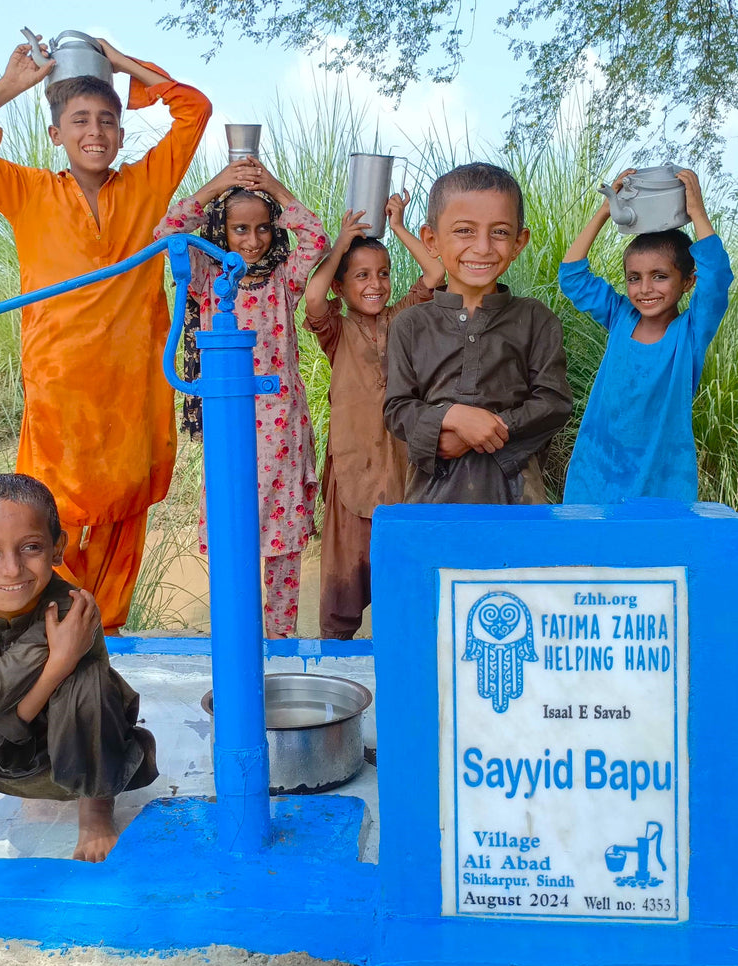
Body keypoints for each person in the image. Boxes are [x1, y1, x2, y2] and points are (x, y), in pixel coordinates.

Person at [0, 37, 212, 633]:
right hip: (60, 391)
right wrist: (15, 85)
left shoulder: (147, 184)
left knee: (124, 510)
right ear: (56, 133)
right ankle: (45, 636)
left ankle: (105, 638)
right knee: (47, 514)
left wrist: (121, 62)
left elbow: (194, 110)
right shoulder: (28, 192)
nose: (95, 132)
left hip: (133, 388)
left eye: (107, 120)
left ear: (122, 133)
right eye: (79, 120)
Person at [0, 474, 158, 863]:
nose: (12, 569)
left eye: (31, 547)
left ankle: (96, 810)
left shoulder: (67, 610)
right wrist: (55, 667)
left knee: (87, 682)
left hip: (68, 763)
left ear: (57, 549)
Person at [154, 159, 329, 638]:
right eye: (239, 230)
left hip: (282, 428)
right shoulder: (209, 279)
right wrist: (219, 185)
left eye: (263, 228)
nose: (252, 241)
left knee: (283, 538)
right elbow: (167, 232)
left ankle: (280, 640)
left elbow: (315, 239)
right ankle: (237, 638)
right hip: (230, 425)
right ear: (221, 232)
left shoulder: (284, 281)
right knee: (233, 530)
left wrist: (273, 185)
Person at [384, 162, 572, 504]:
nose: (483, 247)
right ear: (431, 240)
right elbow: (397, 409)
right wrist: (451, 417)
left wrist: (487, 429)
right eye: (464, 231)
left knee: (517, 544)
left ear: (519, 242)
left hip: (517, 495)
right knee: (436, 543)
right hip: (432, 496)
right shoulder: (410, 324)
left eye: (499, 232)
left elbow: (554, 403)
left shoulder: (536, 320)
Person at [303, 194, 444, 639]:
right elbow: (312, 296)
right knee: (344, 580)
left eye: (383, 273)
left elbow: (435, 274)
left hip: (401, 467)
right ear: (341, 287)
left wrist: (398, 227)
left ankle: (400, 649)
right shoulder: (337, 330)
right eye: (361, 275)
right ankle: (336, 656)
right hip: (352, 468)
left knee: (401, 578)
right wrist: (341, 243)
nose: (375, 284)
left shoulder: (402, 319)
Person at [560, 168, 733, 503]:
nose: (645, 289)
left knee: (655, 539)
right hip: (595, 474)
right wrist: (605, 211)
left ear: (688, 281)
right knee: (588, 539)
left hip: (662, 478)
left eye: (660, 276)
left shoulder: (690, 332)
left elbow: (717, 278)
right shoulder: (620, 317)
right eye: (634, 278)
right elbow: (572, 277)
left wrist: (697, 212)